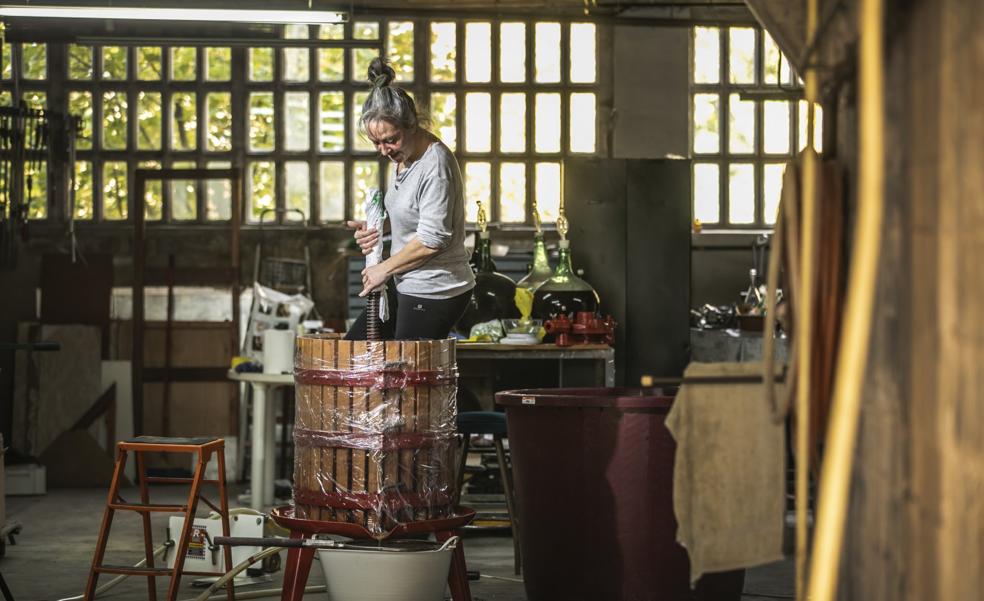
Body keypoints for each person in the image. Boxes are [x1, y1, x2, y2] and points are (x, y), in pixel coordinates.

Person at [344, 57, 475, 341]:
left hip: (436, 289)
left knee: (408, 378)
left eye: (390, 140)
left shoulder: (435, 166)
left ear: (413, 124)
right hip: (406, 280)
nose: (383, 150)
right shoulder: (404, 155)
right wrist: (379, 229)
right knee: (355, 351)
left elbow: (432, 238)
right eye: (376, 142)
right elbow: (414, 213)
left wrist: (383, 269)